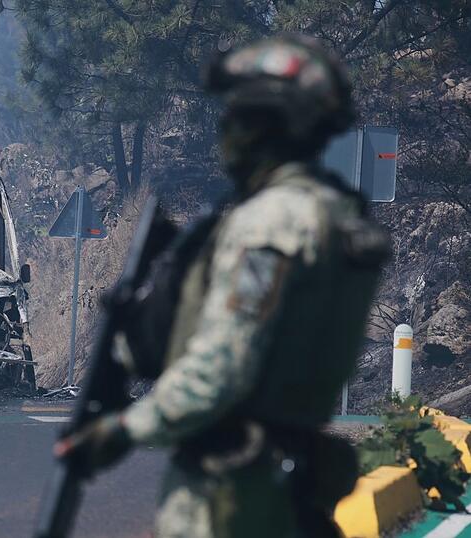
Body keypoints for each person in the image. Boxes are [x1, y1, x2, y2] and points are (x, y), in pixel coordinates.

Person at [55, 34, 390, 537]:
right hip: (293, 486)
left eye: (236, 117)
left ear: (264, 125)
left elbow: (223, 367)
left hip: (233, 496)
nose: (225, 132)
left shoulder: (270, 226)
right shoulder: (337, 217)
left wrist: (122, 431)